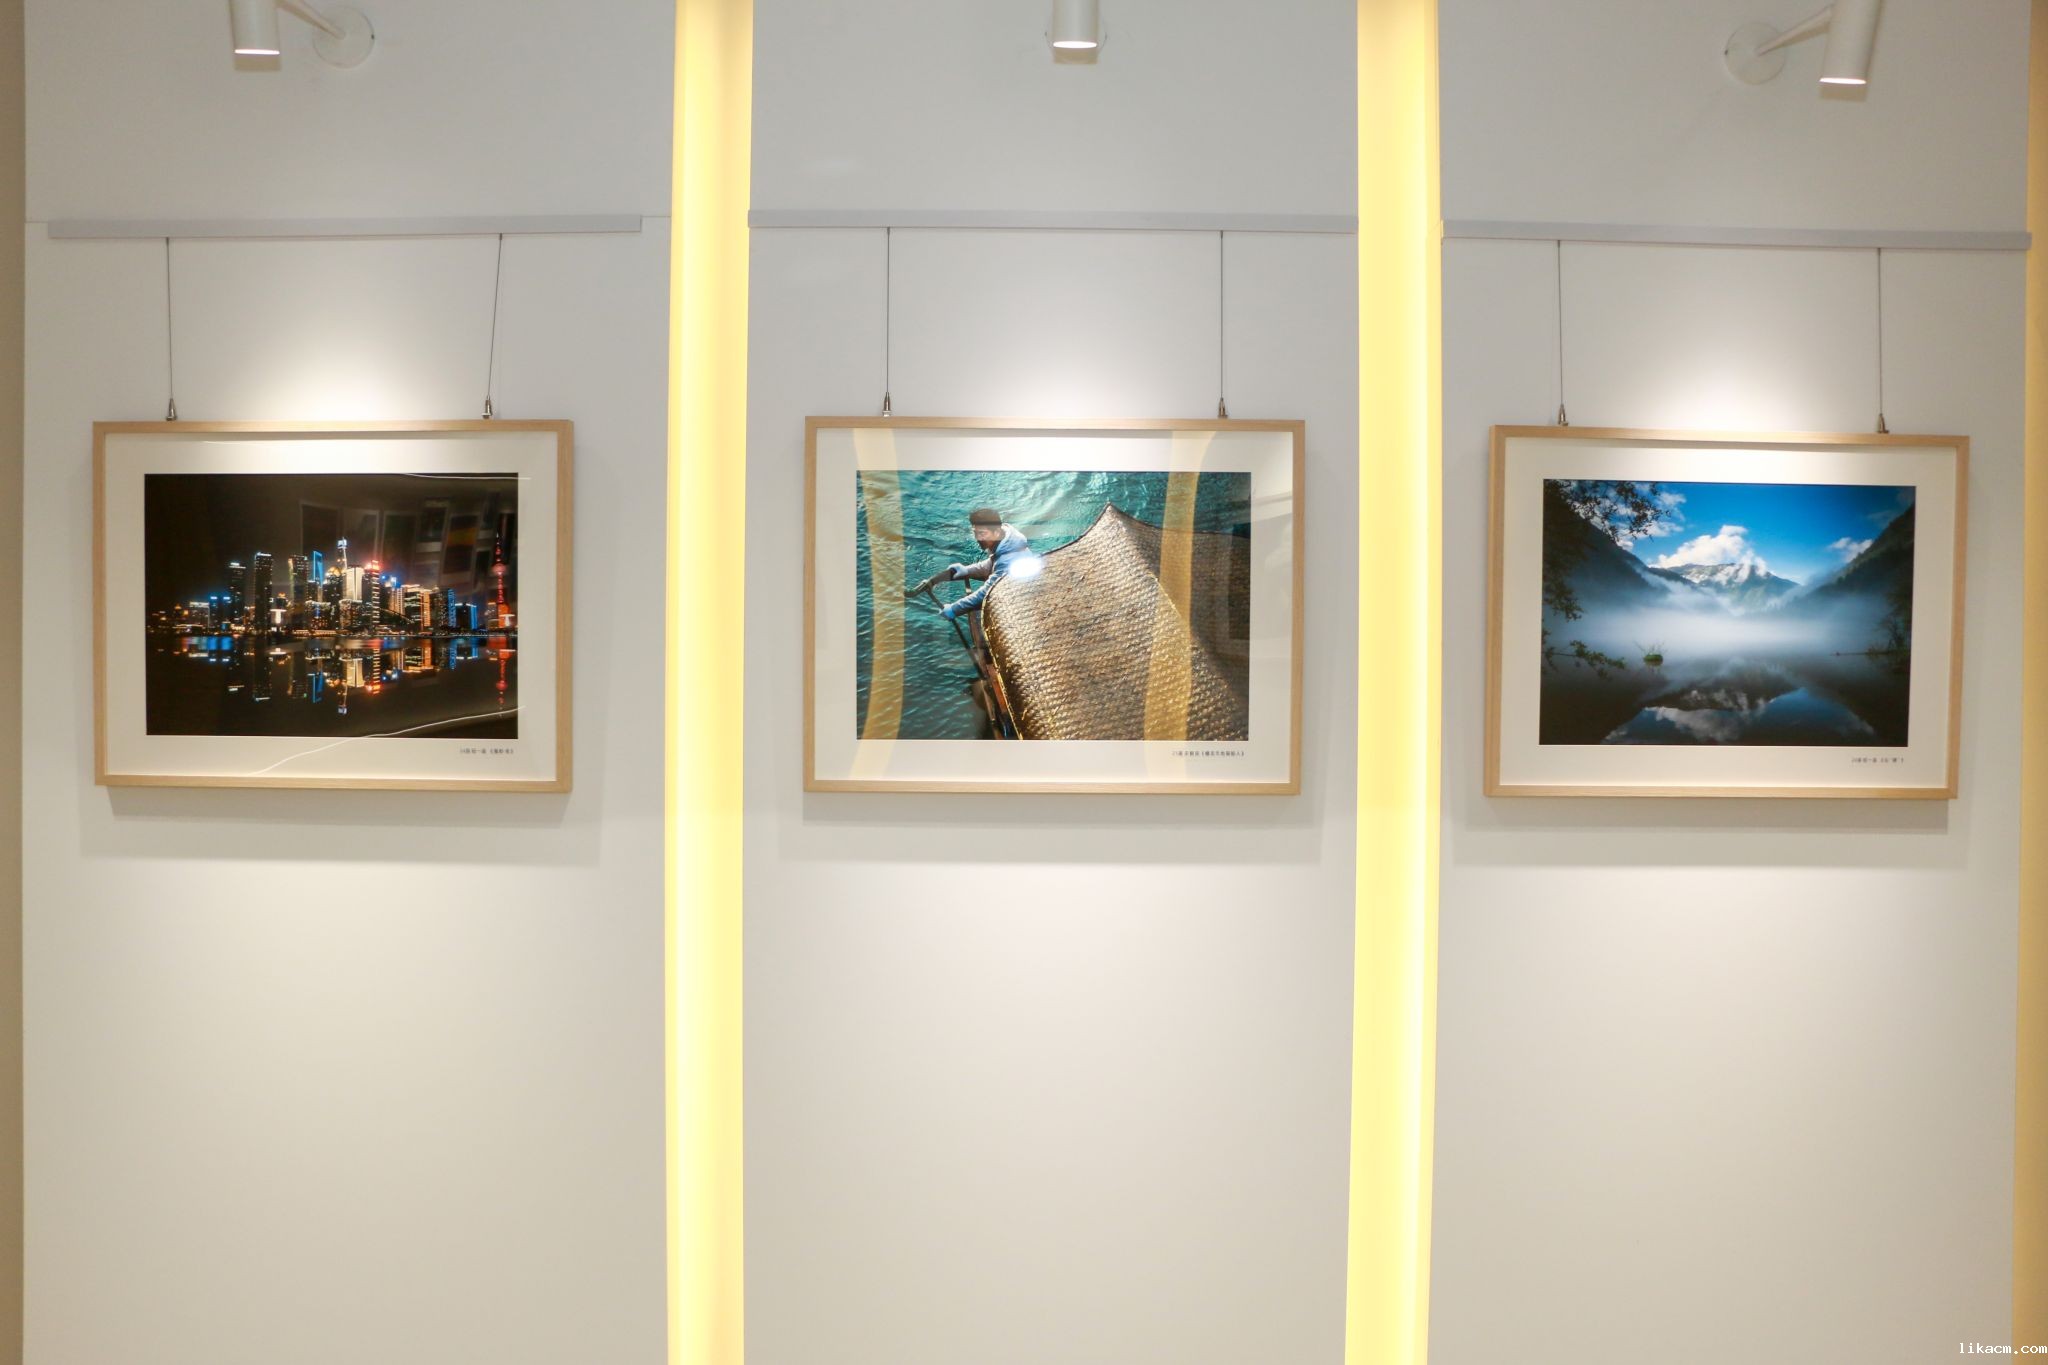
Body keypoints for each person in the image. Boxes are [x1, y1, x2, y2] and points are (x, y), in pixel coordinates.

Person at [933, 508, 1033, 621]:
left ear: (996, 532)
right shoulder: (1005, 541)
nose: (978, 538)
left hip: (1021, 603)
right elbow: (992, 563)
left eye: (982, 533)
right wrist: (967, 570)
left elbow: (987, 593)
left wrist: (954, 609)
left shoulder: (1008, 560)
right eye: (975, 533)